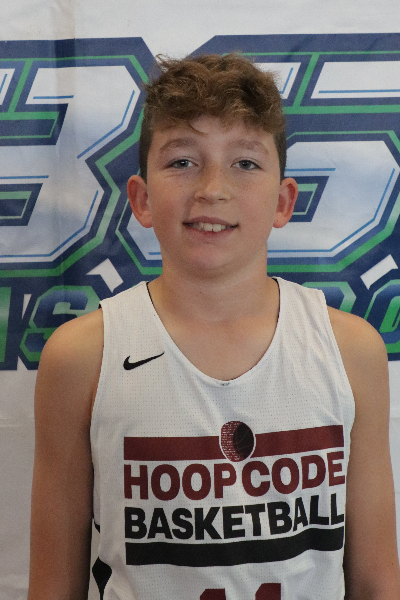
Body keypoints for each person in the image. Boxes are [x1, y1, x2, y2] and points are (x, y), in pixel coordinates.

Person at [28, 54, 400, 600]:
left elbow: (376, 581)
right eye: (182, 161)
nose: (213, 188)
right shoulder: (82, 356)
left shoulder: (350, 351)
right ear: (141, 199)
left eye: (245, 163)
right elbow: (52, 588)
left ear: (283, 201)